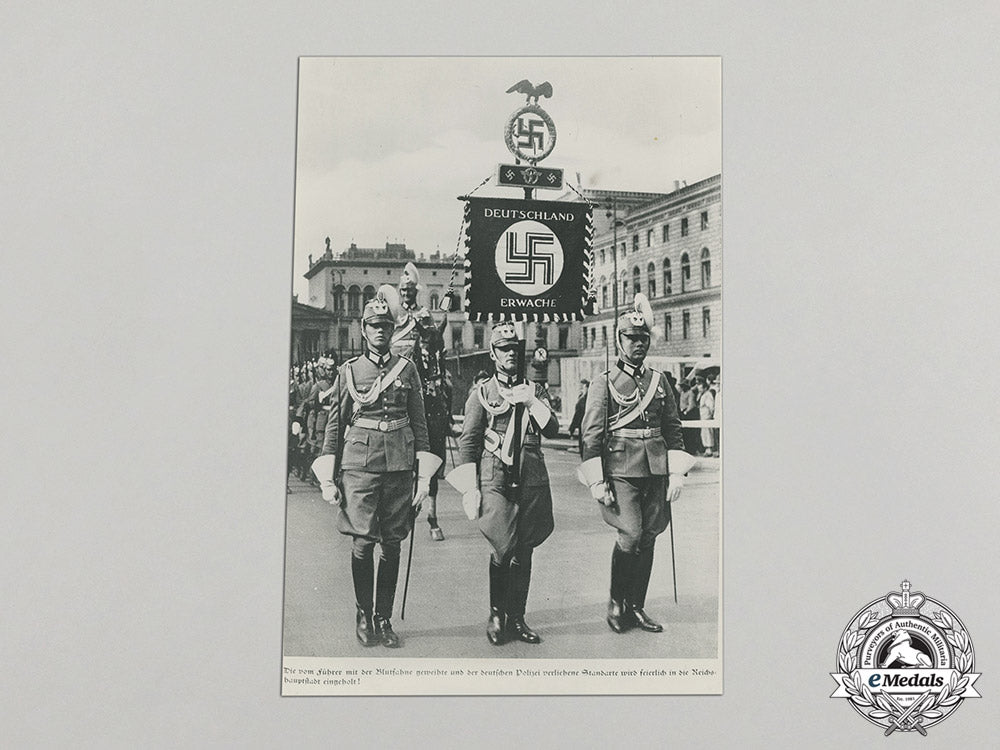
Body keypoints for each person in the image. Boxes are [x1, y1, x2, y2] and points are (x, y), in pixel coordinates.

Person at [312, 285, 441, 648]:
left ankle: (384, 618)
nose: (380, 330)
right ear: (364, 329)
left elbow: (420, 425)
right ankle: (363, 614)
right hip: (359, 467)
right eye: (373, 325)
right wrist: (327, 475)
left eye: (385, 324)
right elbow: (336, 425)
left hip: (399, 465)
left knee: (393, 545)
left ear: (391, 328)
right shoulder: (349, 371)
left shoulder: (408, 369)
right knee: (362, 544)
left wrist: (425, 476)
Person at [579, 294, 696, 634]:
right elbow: (591, 434)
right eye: (631, 338)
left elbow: (673, 429)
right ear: (619, 341)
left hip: (656, 469)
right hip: (620, 470)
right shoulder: (604, 382)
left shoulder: (659, 382)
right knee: (630, 534)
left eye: (643, 338)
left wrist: (677, 472)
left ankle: (637, 607)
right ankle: (616, 604)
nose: (638, 344)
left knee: (650, 537)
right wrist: (597, 480)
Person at [447, 321, 559, 645]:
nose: (510, 354)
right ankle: (497, 614)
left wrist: (531, 403)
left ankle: (518, 618)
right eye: (504, 349)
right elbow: (468, 441)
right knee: (502, 544)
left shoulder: (535, 389)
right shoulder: (482, 394)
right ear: (493, 354)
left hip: (531, 477)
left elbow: (552, 429)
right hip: (494, 475)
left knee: (524, 549)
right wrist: (470, 487)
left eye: (514, 349)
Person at [391, 262, 450, 542]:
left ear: (417, 291)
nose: (406, 294)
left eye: (410, 290)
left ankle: (433, 512)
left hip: (424, 376)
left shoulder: (425, 314)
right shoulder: (393, 315)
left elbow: (435, 344)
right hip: (399, 376)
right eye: (403, 290)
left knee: (444, 392)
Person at [568, 379, 590, 456]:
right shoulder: (582, 398)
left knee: (583, 448)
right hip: (583, 425)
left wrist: (572, 428)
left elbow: (577, 415)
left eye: (582, 387)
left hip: (585, 425)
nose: (581, 389)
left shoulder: (584, 399)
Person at [696, 378, 716, 457]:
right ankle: (706, 449)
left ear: (704, 387)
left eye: (700, 387)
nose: (699, 389)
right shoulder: (702, 395)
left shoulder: (708, 395)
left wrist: (710, 415)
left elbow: (710, 406)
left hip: (707, 417)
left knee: (708, 433)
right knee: (704, 433)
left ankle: (709, 449)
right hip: (703, 416)